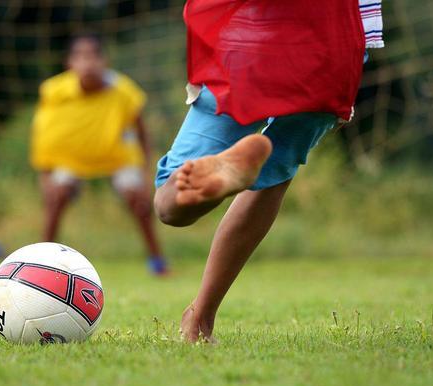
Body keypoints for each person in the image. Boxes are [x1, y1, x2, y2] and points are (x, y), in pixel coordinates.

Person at [153, 0, 384, 341]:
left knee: (169, 206)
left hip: (250, 34)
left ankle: (217, 178)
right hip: (333, 46)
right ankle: (200, 318)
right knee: (273, 174)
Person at [30, 33, 167, 275]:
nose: (88, 63)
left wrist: (147, 173)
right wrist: (45, 177)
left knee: (139, 200)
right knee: (55, 197)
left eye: (94, 56)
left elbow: (142, 133)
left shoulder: (124, 90)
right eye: (81, 56)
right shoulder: (54, 92)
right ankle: (42, 264)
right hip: (71, 160)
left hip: (118, 158)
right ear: (70, 63)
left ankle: (157, 262)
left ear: (105, 61)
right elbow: (43, 137)